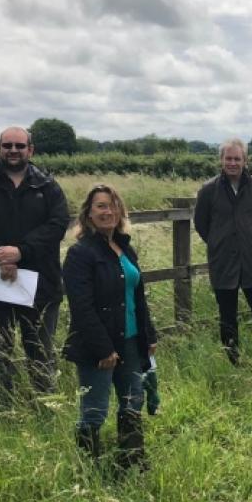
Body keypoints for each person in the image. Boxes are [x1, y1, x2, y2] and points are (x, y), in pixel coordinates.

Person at [0, 126, 70, 403]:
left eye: (20, 146)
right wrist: (1, 255)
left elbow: (56, 225)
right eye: (8, 145)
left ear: (30, 150)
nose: (13, 150)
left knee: (41, 352)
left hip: (40, 283)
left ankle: (46, 407)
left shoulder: (48, 186)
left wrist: (21, 252)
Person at [63, 184, 158, 468]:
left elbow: (138, 297)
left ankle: (131, 461)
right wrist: (103, 349)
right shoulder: (81, 254)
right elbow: (81, 308)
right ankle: (88, 469)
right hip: (98, 345)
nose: (108, 211)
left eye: (113, 205)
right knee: (95, 409)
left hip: (130, 339)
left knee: (132, 400)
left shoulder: (126, 249)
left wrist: (148, 335)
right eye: (101, 206)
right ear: (89, 214)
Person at [194, 138, 252, 370]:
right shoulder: (208, 190)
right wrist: (219, 243)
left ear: (246, 160)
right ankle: (234, 365)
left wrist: (251, 242)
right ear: (221, 160)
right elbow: (202, 225)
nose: (232, 163)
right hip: (223, 264)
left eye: (237, 158)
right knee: (227, 319)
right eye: (228, 158)